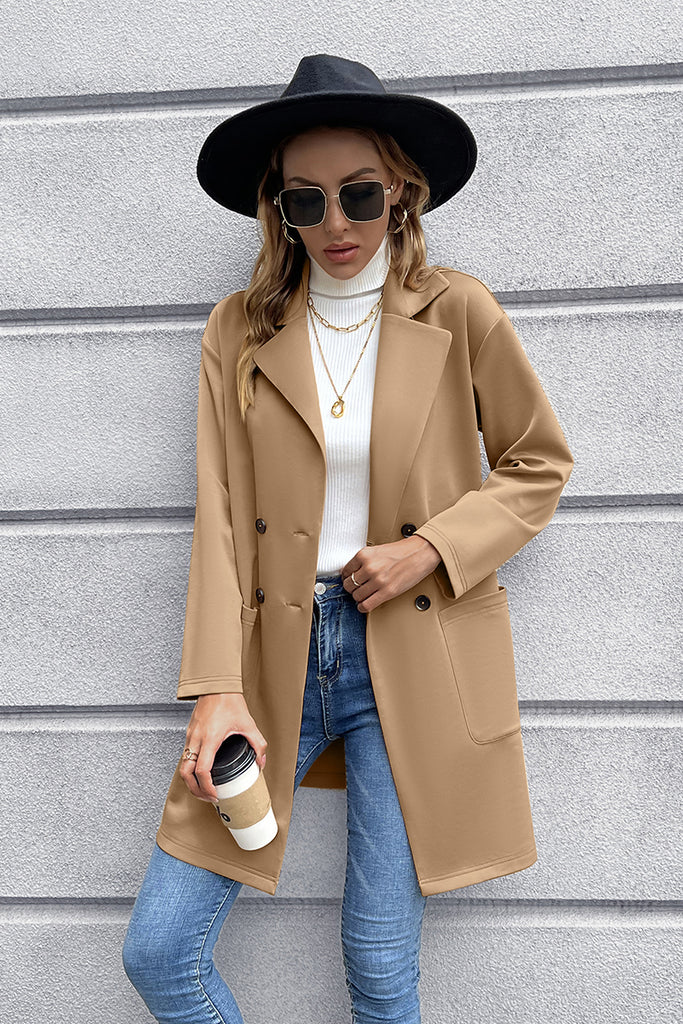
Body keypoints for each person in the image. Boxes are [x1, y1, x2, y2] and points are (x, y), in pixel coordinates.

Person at [122, 54, 574, 1023]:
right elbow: (218, 513)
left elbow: (537, 462)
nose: (336, 224)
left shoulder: (456, 310)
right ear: (277, 209)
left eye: (360, 194)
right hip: (269, 657)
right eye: (306, 201)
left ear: (400, 191)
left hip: (409, 649)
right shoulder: (238, 330)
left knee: (377, 968)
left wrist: (432, 547)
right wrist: (214, 687)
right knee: (159, 950)